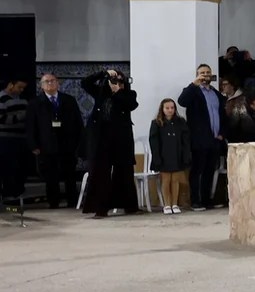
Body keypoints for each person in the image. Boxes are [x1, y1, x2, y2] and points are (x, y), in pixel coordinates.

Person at [81, 68, 139, 218]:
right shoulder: (101, 93)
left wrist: (118, 92)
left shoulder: (128, 94)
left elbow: (131, 105)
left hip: (121, 138)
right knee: (101, 173)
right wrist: (102, 73)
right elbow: (85, 83)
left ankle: (128, 206)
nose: (117, 83)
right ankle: (101, 209)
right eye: (114, 80)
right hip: (102, 137)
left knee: (124, 172)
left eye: (120, 81)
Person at [28, 73, 84, 209]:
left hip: (68, 144)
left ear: (58, 83)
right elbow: (30, 126)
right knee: (51, 176)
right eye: (46, 82)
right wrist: (33, 145)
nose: (50, 83)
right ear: (41, 86)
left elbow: (78, 122)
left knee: (70, 174)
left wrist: (80, 142)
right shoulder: (35, 103)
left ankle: (72, 201)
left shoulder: (69, 100)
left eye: (52, 81)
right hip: (46, 145)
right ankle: (54, 202)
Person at [177, 64, 224, 210]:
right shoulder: (193, 92)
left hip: (215, 139)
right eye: (202, 73)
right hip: (199, 139)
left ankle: (206, 199)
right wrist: (193, 84)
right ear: (197, 75)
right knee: (197, 171)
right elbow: (182, 101)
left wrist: (222, 133)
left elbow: (222, 115)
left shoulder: (216, 94)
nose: (205, 75)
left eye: (207, 73)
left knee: (210, 170)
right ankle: (195, 201)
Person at [148, 98, 191, 215]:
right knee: (166, 180)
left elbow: (185, 140)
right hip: (163, 155)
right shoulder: (156, 123)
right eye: (167, 108)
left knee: (175, 180)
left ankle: (174, 203)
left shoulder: (181, 122)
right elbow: (154, 142)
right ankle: (167, 204)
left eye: (172, 108)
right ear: (162, 109)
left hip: (177, 154)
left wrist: (186, 154)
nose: (170, 110)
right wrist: (156, 157)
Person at [0, 79, 28, 211]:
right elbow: (2, 119)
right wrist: (20, 117)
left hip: (21, 139)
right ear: (10, 84)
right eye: (19, 87)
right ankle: (8, 195)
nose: (21, 90)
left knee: (20, 167)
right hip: (6, 139)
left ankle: (17, 193)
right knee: (9, 167)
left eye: (23, 88)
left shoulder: (23, 100)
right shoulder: (2, 98)